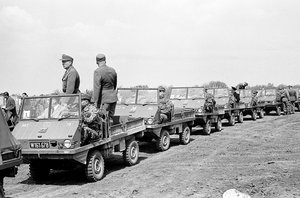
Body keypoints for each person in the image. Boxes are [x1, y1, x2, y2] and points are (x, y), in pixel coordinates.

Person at [93, 54, 118, 119]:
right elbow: (115, 85)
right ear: (105, 60)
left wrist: (95, 102)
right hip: (113, 97)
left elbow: (97, 88)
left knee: (102, 120)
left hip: (104, 99)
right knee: (111, 118)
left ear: (97, 62)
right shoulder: (113, 70)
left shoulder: (97, 71)